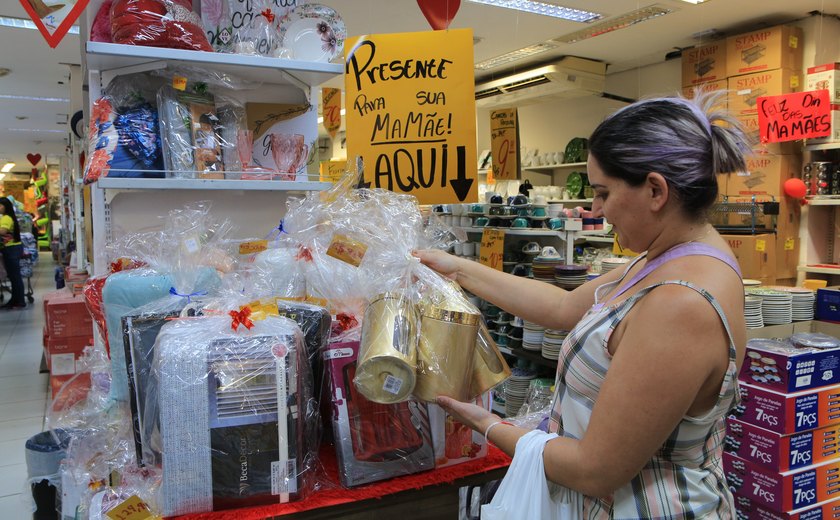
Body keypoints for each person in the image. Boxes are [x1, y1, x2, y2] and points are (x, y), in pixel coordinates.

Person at [415, 93, 750, 517]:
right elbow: (563, 307)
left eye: (603, 193)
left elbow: (594, 471)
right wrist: (453, 268)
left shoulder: (680, 304)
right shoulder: (666, 258)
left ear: (655, 190)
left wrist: (484, 423)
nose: (594, 209)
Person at [0, 197, 25, 309]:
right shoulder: (9, 217)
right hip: (13, 248)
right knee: (15, 276)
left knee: (15, 277)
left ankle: (19, 301)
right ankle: (15, 300)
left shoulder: (6, 218)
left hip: (11, 249)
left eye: (0, 205)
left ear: (6, 206)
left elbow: (3, 231)